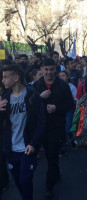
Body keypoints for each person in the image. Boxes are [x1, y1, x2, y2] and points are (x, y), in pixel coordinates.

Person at [0, 64, 45, 200]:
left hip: (27, 147)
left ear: (16, 78)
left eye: (6, 77)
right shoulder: (5, 97)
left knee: (25, 180)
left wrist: (33, 143)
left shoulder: (32, 96)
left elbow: (41, 122)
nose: (2, 80)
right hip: (11, 148)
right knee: (19, 181)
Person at [33, 58, 74, 199]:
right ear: (42, 69)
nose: (49, 72)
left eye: (51, 69)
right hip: (42, 126)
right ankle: (55, 173)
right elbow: (30, 105)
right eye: (46, 69)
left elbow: (70, 104)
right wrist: (39, 97)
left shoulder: (63, 85)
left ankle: (48, 187)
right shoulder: (37, 85)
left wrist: (57, 108)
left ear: (55, 68)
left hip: (57, 125)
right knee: (51, 155)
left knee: (51, 154)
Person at [59, 70, 76, 156]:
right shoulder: (57, 86)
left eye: (63, 75)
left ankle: (70, 141)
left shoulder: (71, 86)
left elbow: (75, 99)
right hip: (59, 110)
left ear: (67, 77)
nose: (61, 77)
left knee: (66, 129)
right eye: (60, 76)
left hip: (69, 110)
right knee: (62, 129)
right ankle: (63, 147)